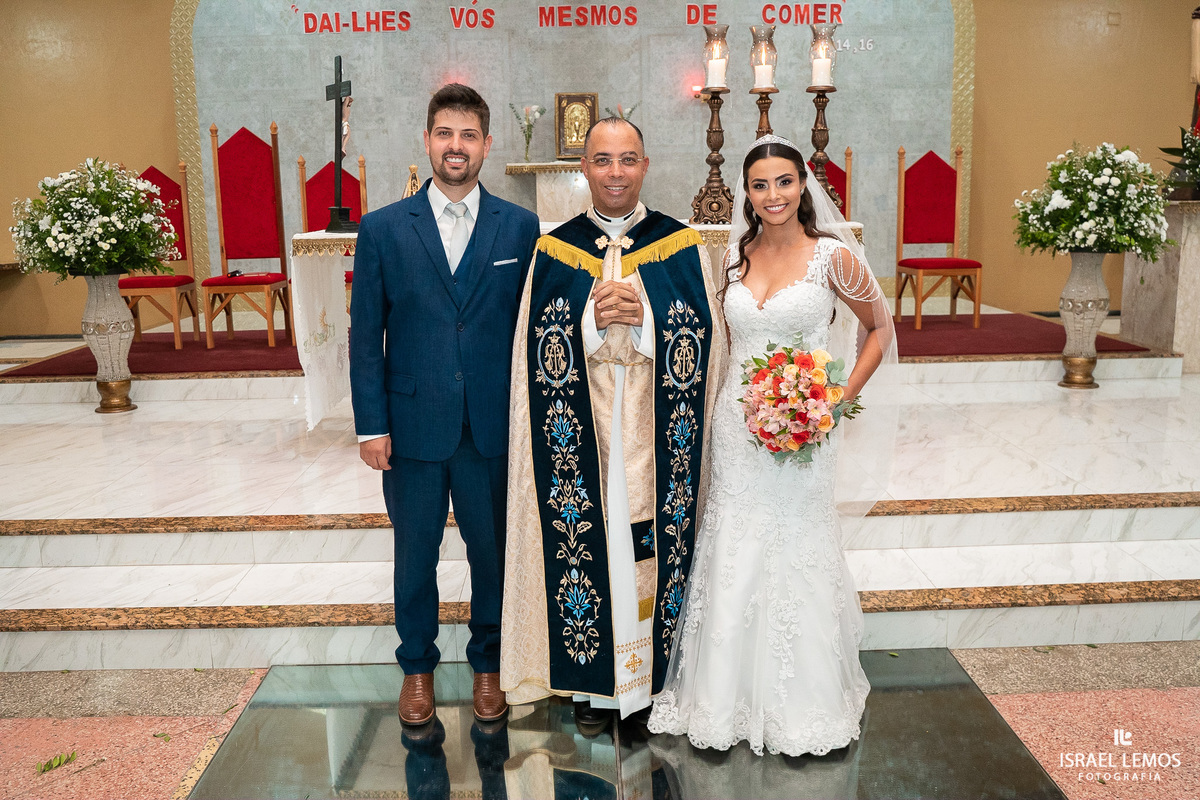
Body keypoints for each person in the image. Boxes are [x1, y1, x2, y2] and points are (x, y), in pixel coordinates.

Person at [647, 134, 898, 756]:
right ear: (746, 194)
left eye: (784, 181)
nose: (773, 195)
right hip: (736, 428)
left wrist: (834, 400)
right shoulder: (735, 256)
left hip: (802, 430)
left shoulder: (833, 258)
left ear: (803, 185)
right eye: (759, 185)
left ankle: (801, 702)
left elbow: (878, 328)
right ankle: (720, 698)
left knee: (794, 545)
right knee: (734, 543)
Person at [501, 118, 725, 722]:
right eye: (603, 160)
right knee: (592, 542)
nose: (616, 172)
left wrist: (648, 319)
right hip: (587, 433)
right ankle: (597, 686)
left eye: (628, 159)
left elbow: (708, 340)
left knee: (648, 542)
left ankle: (654, 678)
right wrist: (592, 323)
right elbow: (532, 345)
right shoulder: (557, 248)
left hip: (653, 437)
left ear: (646, 165)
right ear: (585, 169)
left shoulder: (679, 244)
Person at [350, 84, 540, 726]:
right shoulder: (381, 230)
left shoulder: (520, 227)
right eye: (444, 134)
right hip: (412, 428)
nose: (455, 146)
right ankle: (417, 669)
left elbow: (534, 329)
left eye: (468, 135)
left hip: (491, 426)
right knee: (416, 555)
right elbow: (364, 336)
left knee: (492, 555)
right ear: (428, 141)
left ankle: (488, 665)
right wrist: (371, 425)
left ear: (487, 144)